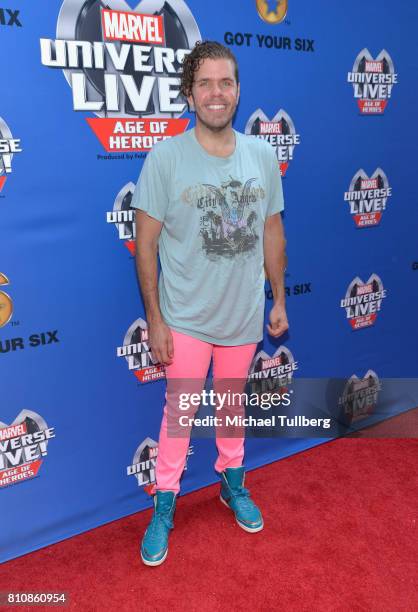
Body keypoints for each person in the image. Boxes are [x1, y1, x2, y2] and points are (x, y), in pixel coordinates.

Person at [132, 41, 288, 566]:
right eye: (205, 84)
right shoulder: (166, 157)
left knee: (232, 405)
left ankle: (232, 483)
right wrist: (155, 320)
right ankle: (164, 506)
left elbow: (272, 230)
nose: (216, 93)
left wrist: (279, 298)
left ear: (238, 91)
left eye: (225, 83)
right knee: (179, 413)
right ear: (189, 93)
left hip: (243, 316)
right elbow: (145, 243)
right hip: (186, 318)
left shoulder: (262, 156)